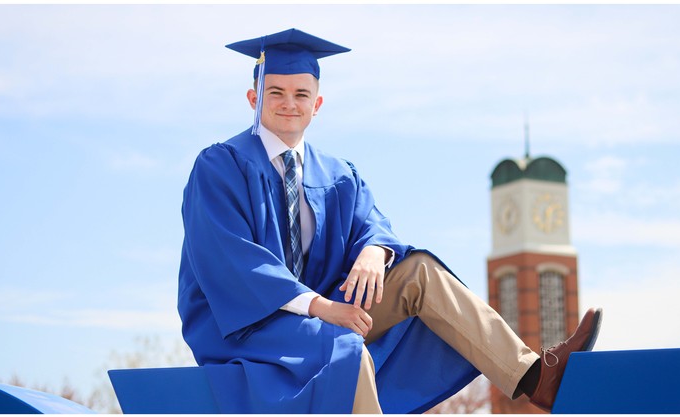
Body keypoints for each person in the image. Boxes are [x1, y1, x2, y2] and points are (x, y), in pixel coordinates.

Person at [177, 28, 602, 414]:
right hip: (250, 325)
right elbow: (231, 261)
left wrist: (374, 251)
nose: (290, 103)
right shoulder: (221, 167)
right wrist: (324, 308)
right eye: (276, 92)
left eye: (302, 94)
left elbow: (373, 224)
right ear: (254, 98)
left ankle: (535, 377)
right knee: (346, 351)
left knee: (418, 271)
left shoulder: (338, 175)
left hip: (327, 313)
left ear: (317, 104)